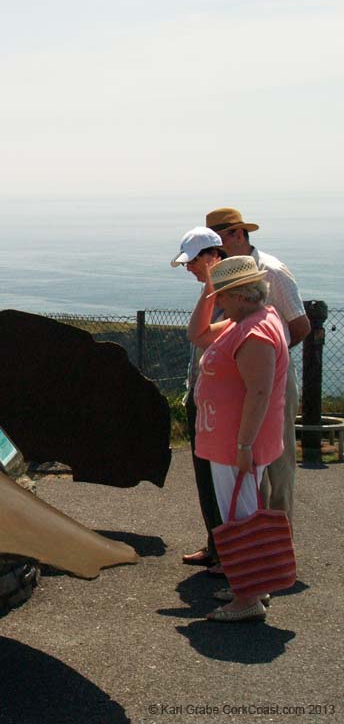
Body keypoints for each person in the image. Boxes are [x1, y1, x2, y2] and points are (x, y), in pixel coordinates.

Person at [189, 255, 289, 622]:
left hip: (236, 444)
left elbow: (258, 393)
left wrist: (245, 445)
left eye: (225, 295)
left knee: (240, 517)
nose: (221, 303)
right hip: (230, 442)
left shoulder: (255, 332)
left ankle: (246, 600)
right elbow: (197, 335)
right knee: (244, 510)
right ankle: (252, 585)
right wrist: (208, 292)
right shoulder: (247, 320)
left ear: (244, 295)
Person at [206, 208, 310, 524]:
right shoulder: (224, 271)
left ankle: (278, 548)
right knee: (246, 466)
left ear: (237, 234)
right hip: (237, 383)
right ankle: (248, 547)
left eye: (218, 241)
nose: (214, 251)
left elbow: (301, 324)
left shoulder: (272, 271)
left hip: (271, 382)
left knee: (276, 463)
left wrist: (265, 357)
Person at [170, 227, 226, 567]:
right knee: (205, 476)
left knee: (218, 478)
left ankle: (228, 553)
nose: (189, 268)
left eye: (193, 262)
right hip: (203, 396)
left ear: (211, 257)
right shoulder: (212, 290)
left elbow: (202, 336)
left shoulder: (227, 292)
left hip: (218, 402)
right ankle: (216, 544)